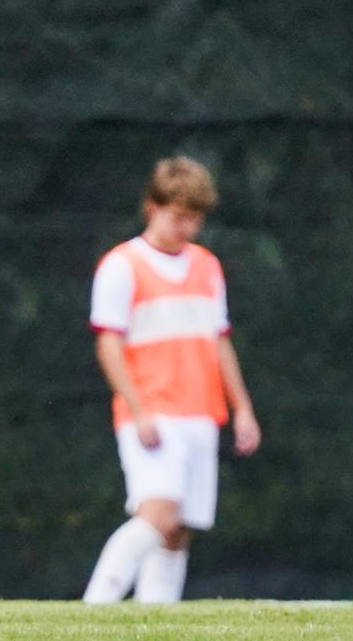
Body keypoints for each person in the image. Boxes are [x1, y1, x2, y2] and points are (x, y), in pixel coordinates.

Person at [82, 157, 260, 604]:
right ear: (152, 207)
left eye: (196, 218)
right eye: (179, 216)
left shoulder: (206, 266)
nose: (188, 228)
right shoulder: (122, 265)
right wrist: (138, 409)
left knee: (178, 529)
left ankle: (156, 621)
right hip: (152, 412)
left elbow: (219, 342)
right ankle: (95, 607)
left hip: (200, 412)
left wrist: (243, 410)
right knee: (158, 512)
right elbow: (109, 345)